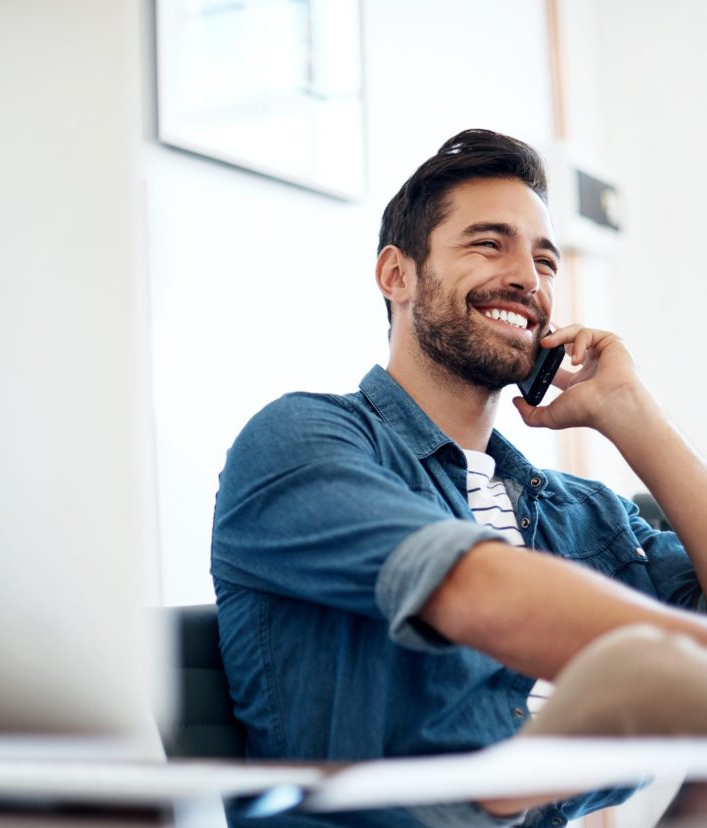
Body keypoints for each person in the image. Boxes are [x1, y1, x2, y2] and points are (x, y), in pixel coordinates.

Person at [210, 129, 707, 827]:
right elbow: (478, 592)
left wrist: (634, 417)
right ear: (397, 275)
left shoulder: (586, 517)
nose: (528, 279)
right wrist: (672, 666)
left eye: (544, 259)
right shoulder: (301, 442)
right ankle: (504, 783)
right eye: (488, 243)